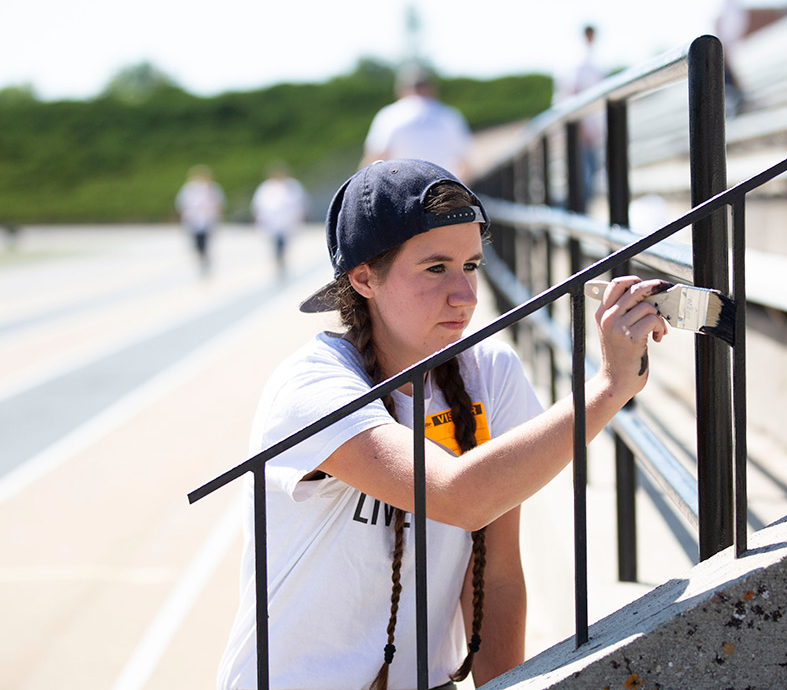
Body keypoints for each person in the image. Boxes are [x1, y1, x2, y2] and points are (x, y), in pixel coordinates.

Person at [216, 158, 668, 690]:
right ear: (363, 277)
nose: (467, 296)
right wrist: (609, 388)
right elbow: (456, 495)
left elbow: (496, 575)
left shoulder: (491, 375)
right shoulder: (312, 387)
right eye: (436, 269)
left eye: (471, 266)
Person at [361, 64, 473, 179]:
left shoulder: (389, 116)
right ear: (431, 89)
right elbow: (465, 163)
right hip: (442, 190)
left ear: (401, 89)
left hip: (402, 190)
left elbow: (373, 160)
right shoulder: (450, 115)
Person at [552, 25, 605, 207]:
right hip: (583, 131)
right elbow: (572, 93)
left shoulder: (585, 59)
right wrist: (583, 129)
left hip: (587, 130)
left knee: (586, 181)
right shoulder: (581, 61)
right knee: (584, 184)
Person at [251, 161, 310, 278]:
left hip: (288, 223)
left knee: (284, 244)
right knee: (275, 244)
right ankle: (279, 262)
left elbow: (301, 202)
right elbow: (258, 205)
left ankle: (282, 261)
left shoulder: (292, 186)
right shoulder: (265, 188)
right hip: (271, 224)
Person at [175, 164, 225, 276]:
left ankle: (205, 259)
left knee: (206, 242)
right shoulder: (188, 188)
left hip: (207, 220)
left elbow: (218, 203)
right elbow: (182, 204)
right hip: (193, 220)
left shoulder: (212, 188)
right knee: (196, 243)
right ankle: (201, 258)